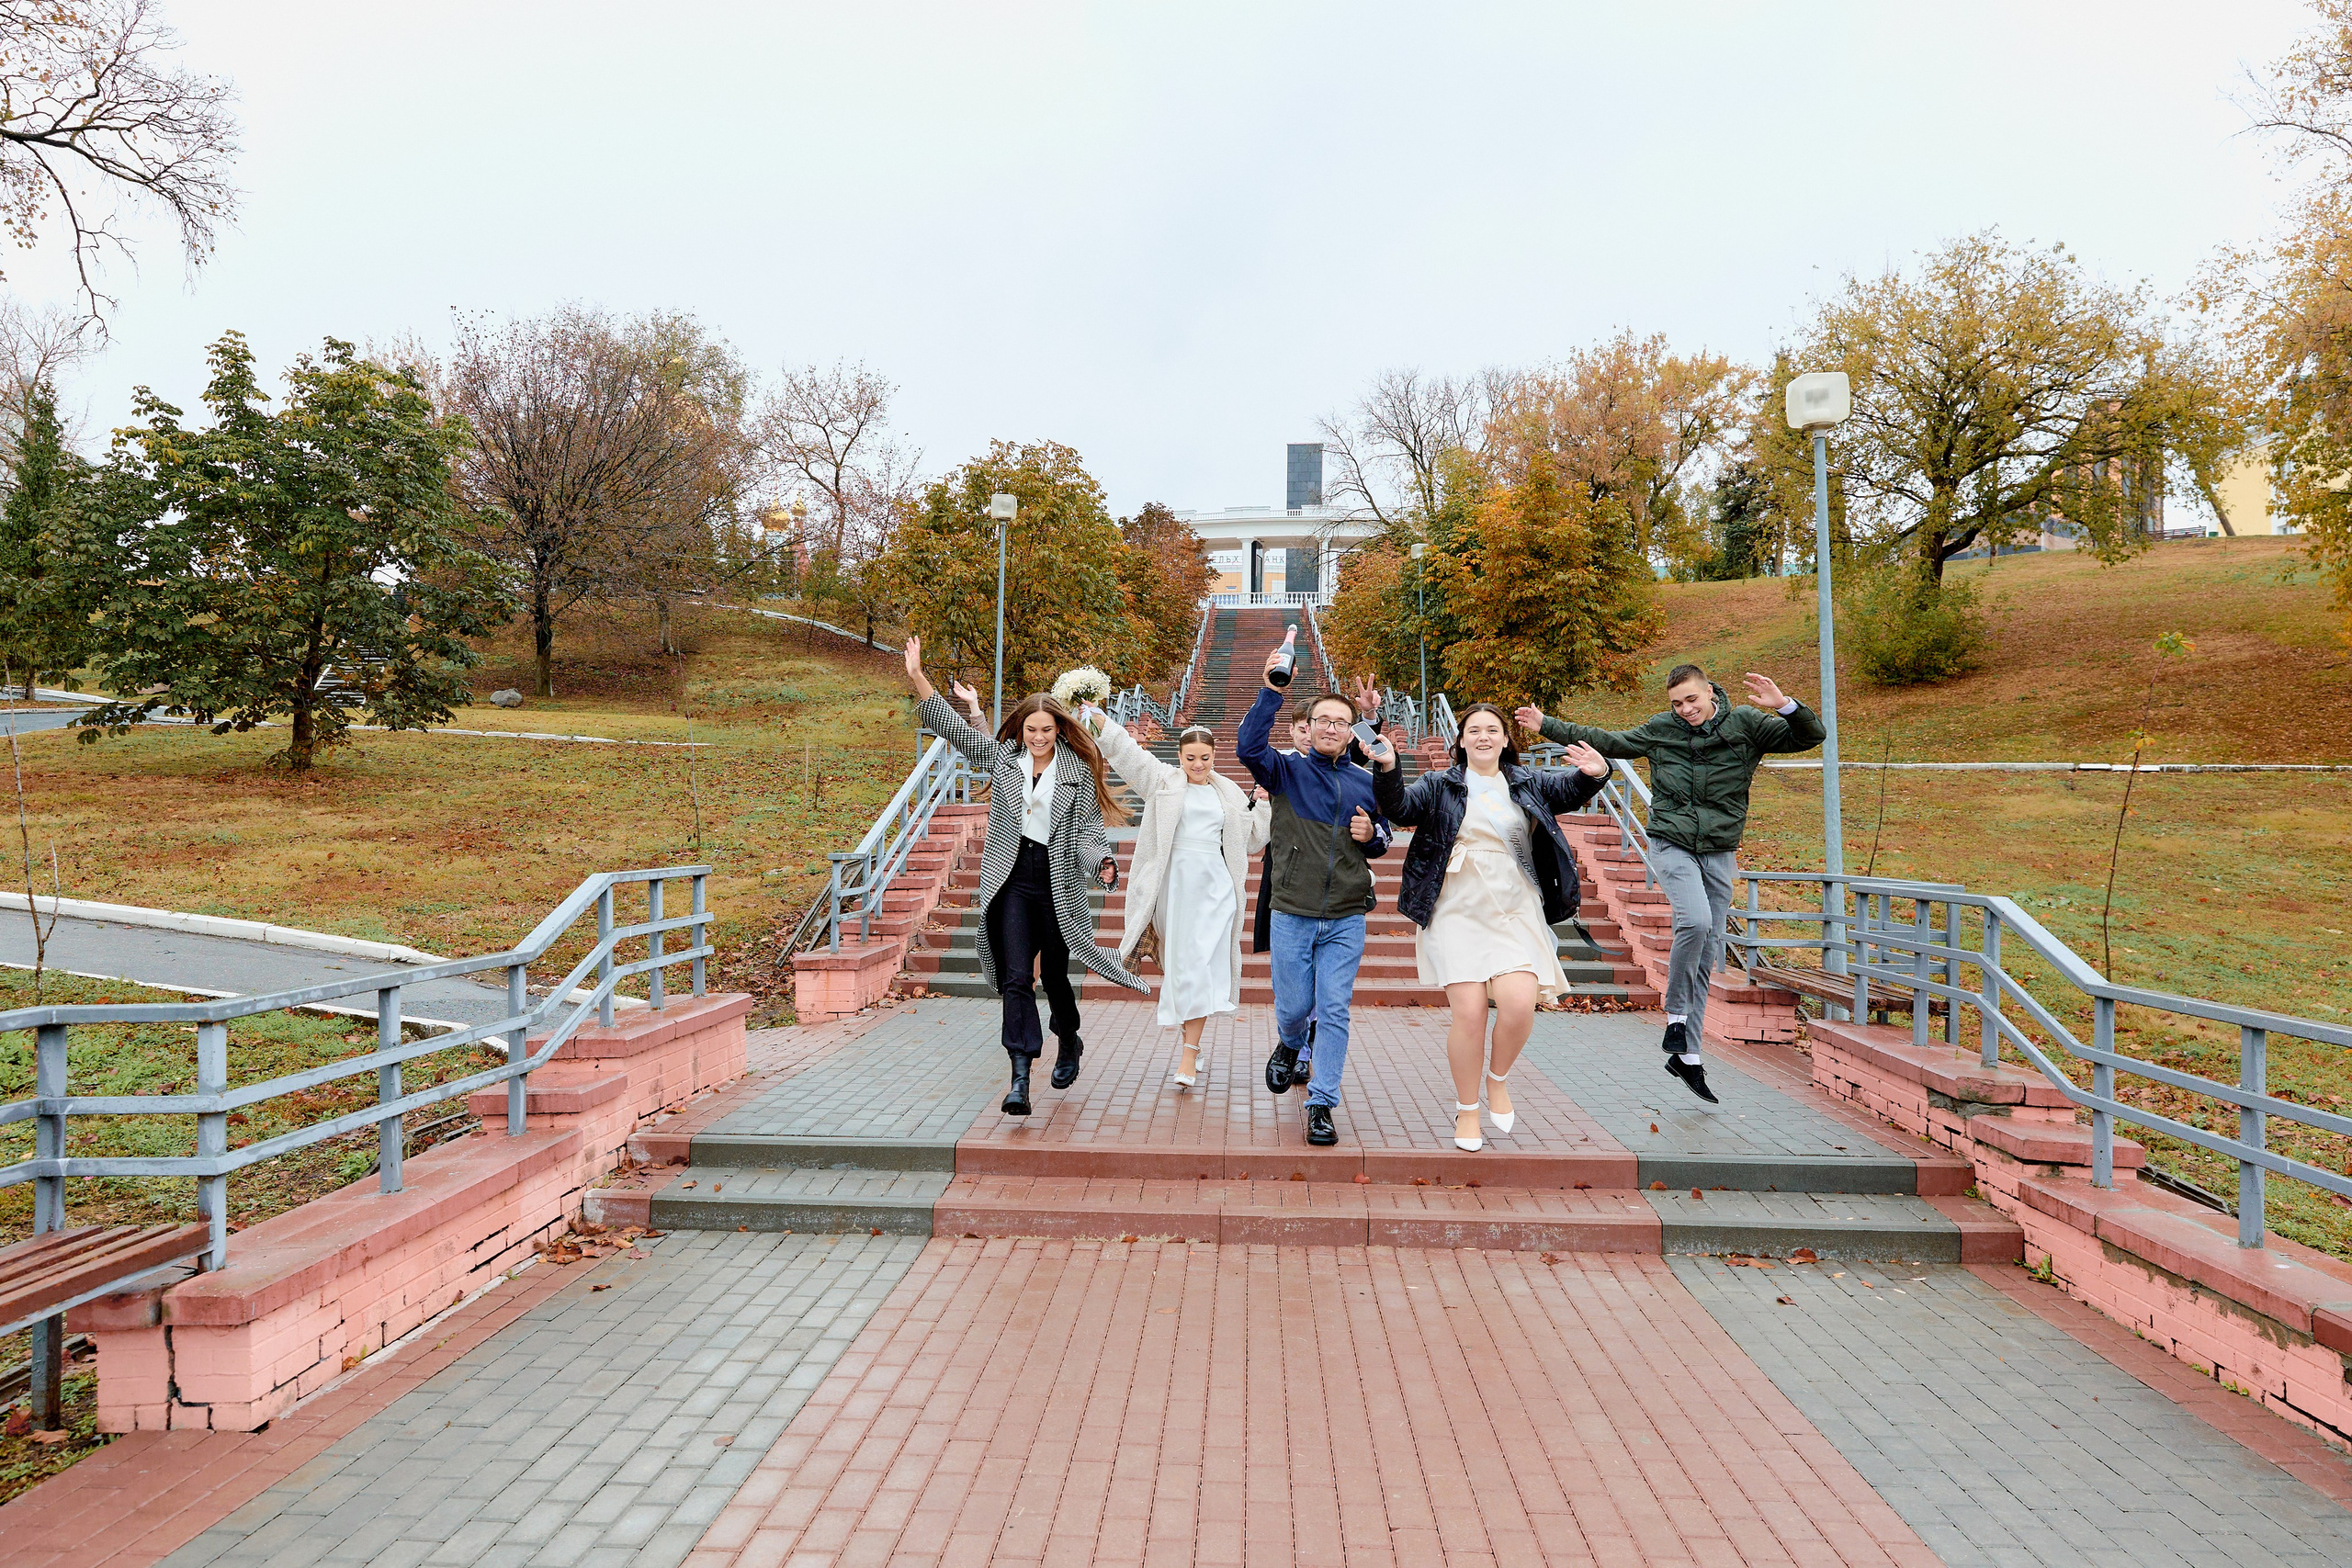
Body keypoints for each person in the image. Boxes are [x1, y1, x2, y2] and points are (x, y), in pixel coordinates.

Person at [1517, 665, 1825, 1103]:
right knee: (1695, 923)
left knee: (1707, 950)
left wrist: (1787, 707)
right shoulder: (1664, 729)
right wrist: (1547, 724)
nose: (1685, 710)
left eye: (1691, 701)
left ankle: (1689, 1057)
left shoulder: (1747, 724)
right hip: (1671, 841)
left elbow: (1810, 737)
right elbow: (1611, 741)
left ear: (1709, 693)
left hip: (1719, 848)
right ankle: (1676, 1017)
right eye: (1677, 704)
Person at [903, 637, 1144, 1114]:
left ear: (1059, 729)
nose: (1038, 737)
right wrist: (917, 677)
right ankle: (1020, 1076)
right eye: (1031, 729)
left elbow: (1091, 831)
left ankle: (1069, 1039)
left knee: (1056, 976)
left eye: (1046, 730)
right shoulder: (1003, 761)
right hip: (1012, 882)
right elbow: (952, 727)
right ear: (1022, 730)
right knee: (1016, 978)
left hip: (1059, 885)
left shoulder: (1078, 771)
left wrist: (1102, 862)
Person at [1369, 705, 1609, 1149]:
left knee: (1519, 1003)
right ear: (1460, 741)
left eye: (1492, 730)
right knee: (1470, 1012)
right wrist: (1387, 768)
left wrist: (1595, 774)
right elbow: (1400, 808)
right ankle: (1467, 1109)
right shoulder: (1439, 784)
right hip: (1456, 903)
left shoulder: (1526, 781)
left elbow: (1568, 789)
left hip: (1514, 903)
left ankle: (1497, 1079)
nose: (1483, 737)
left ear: (1504, 740)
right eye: (1473, 731)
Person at [1238, 660, 1393, 1146]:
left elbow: (1386, 836)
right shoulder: (1286, 772)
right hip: (1292, 911)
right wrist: (1269, 689)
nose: (1331, 728)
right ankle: (1288, 1043)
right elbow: (1248, 747)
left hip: (1346, 915)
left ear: (1350, 732)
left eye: (1341, 722)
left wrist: (1371, 837)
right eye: (1322, 720)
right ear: (1308, 728)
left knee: (1334, 1009)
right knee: (1295, 1008)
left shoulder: (1364, 784)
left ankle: (1322, 1103)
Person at [1089, 716, 1271, 1085]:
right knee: (1182, 968)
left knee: (1200, 967)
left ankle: (1188, 1057)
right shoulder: (1163, 781)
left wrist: (1263, 804)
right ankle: (1193, 1043)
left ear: (1215, 756)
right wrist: (1100, 721)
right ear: (1179, 756)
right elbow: (1127, 754)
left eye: (1205, 757)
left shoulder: (1230, 793)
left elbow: (1253, 842)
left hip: (1216, 888)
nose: (1198, 765)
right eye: (1190, 758)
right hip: (1174, 887)